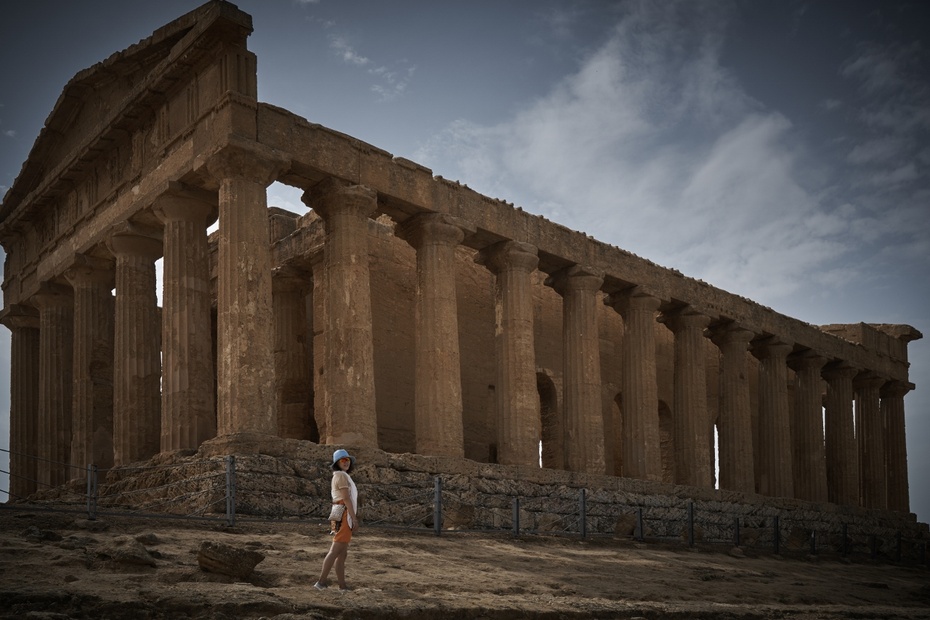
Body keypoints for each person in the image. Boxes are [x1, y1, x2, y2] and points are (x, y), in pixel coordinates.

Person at [314, 448, 359, 591]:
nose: (346, 462)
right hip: (343, 513)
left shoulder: (339, 475)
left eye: (347, 460)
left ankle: (342, 585)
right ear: (337, 463)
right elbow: (345, 498)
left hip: (338, 512)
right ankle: (320, 582)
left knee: (342, 553)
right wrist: (354, 518)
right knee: (335, 550)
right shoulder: (341, 476)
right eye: (342, 460)